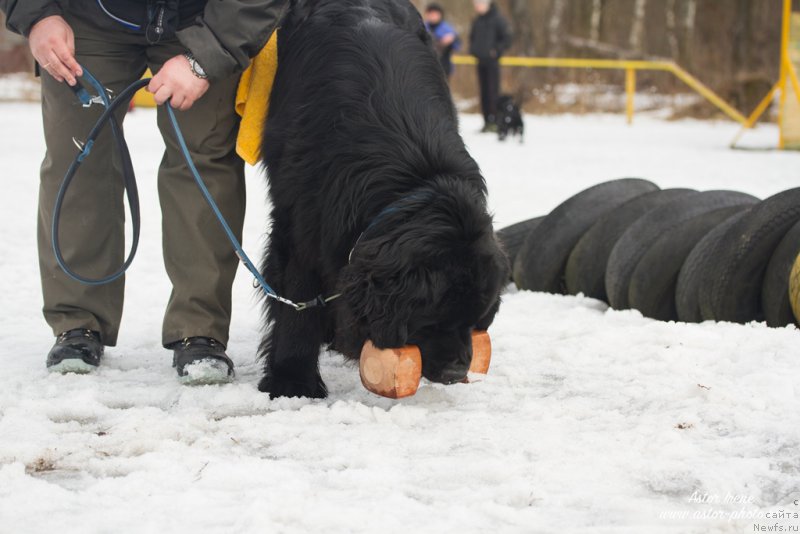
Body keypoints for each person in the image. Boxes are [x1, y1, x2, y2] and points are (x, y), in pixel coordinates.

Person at [0, 0, 289, 384]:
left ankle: (199, 330)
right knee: (78, 157)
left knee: (203, 161)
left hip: (203, 17)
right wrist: (37, 15)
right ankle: (77, 323)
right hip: (87, 15)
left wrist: (207, 54)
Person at [469, 0, 512, 132]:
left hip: (492, 62)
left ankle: (496, 121)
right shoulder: (477, 21)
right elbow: (472, 38)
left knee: (493, 92)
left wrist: (496, 51)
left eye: (479, 4)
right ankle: (487, 121)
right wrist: (474, 50)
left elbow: (507, 38)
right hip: (480, 61)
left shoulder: (498, 19)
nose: (477, 7)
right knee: (483, 93)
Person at [423, 3, 460, 80]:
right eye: (431, 13)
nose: (433, 16)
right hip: (426, 66)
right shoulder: (422, 28)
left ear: (440, 14)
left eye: (435, 14)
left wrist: (451, 40)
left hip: (444, 66)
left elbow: (457, 46)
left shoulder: (447, 29)